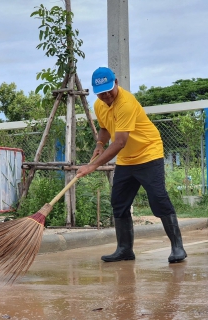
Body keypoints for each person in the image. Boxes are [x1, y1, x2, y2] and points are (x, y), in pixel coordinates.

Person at [77, 67, 187, 263]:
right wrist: (100, 144)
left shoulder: (125, 103)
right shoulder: (99, 105)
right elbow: (104, 128)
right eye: (101, 93)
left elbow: (119, 142)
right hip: (127, 160)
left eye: (109, 90)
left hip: (148, 154)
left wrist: (91, 166)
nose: (106, 96)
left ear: (116, 82)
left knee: (158, 199)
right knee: (119, 202)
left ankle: (178, 247)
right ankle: (125, 249)